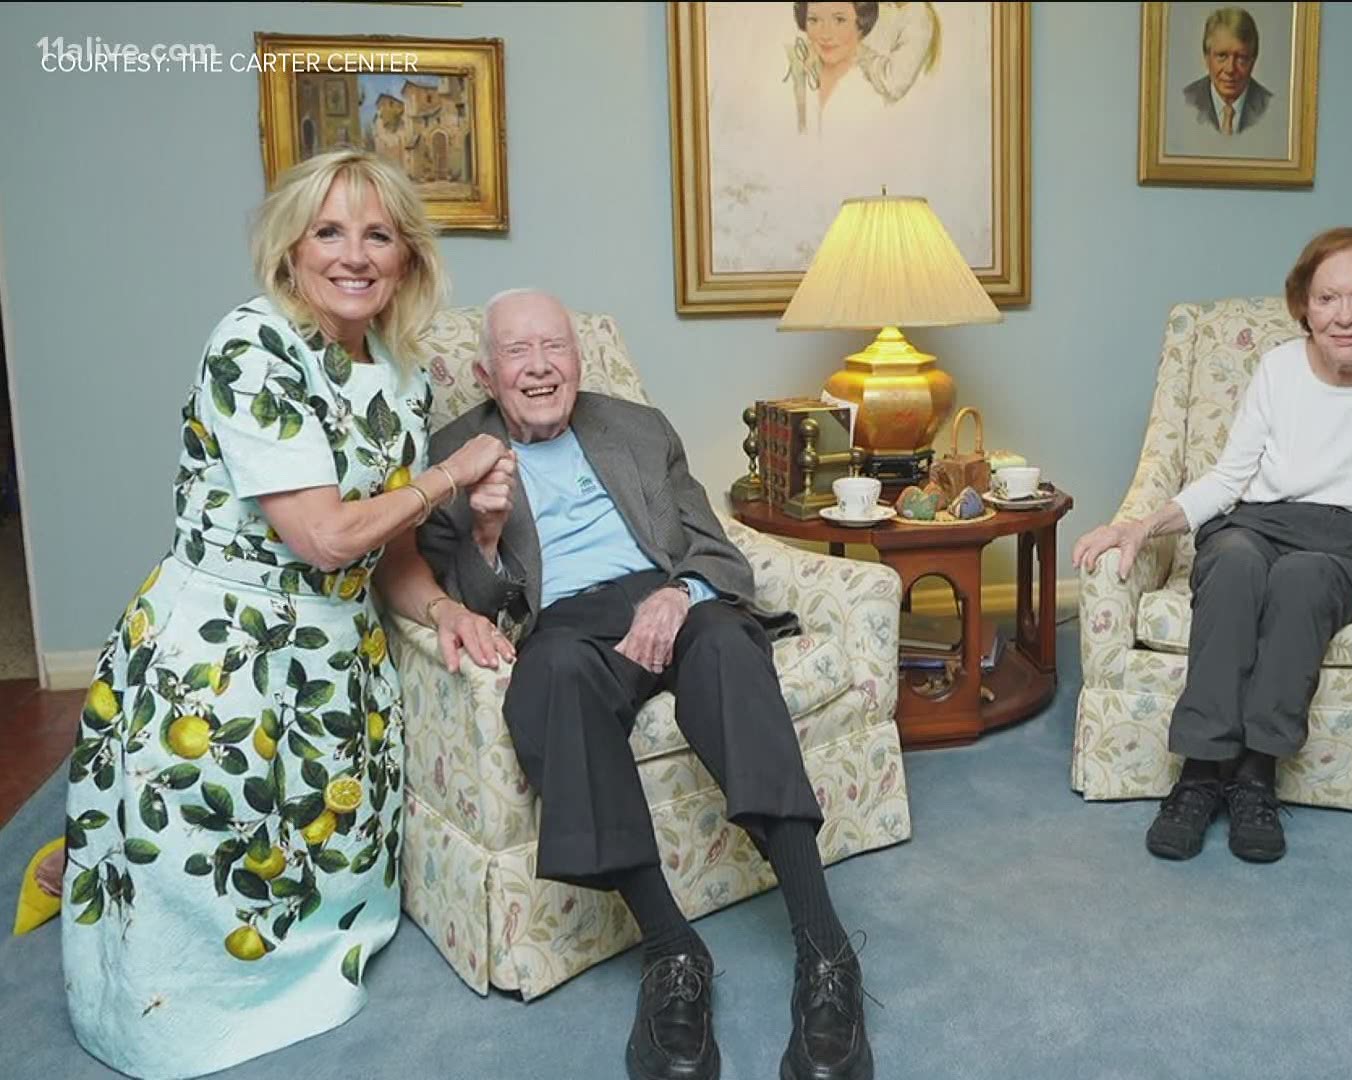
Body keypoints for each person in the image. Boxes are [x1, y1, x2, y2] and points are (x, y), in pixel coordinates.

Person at [57, 148, 513, 1078]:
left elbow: (388, 556)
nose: (355, 255)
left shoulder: (403, 374)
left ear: (407, 259)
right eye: (330, 232)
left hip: (336, 660)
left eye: (378, 235)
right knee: (198, 860)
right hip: (223, 656)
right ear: (292, 250)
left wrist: (442, 609)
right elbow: (325, 537)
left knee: (312, 863)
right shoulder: (250, 345)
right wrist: (450, 473)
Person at [403, 289, 873, 1080]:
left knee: (729, 646)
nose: (542, 367)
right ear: (487, 372)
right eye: (519, 353)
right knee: (549, 676)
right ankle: (671, 949)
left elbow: (718, 552)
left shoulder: (637, 427)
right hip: (566, 626)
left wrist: (678, 594)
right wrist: (484, 533)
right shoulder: (455, 455)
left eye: (555, 347)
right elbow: (481, 610)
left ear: (578, 360)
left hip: (667, 594)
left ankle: (825, 948)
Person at [1072, 227, 1352, 865]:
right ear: (1305, 307)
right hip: (1257, 522)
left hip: (1349, 542)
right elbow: (1230, 478)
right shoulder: (1280, 366)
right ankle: (1201, 773)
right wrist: (1144, 525)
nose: (1345, 316)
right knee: (1229, 565)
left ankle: (1257, 775)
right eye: (1328, 299)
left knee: (1302, 581)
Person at [786, 1, 887, 135]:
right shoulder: (797, 74)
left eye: (839, 20)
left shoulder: (878, 83)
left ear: (861, 22)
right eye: (814, 20)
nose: (826, 35)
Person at [1182, 7, 1273, 136]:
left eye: (1241, 58)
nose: (1230, 69)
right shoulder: (1186, 101)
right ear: (1207, 58)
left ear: (1253, 61)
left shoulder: (1272, 108)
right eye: (1222, 56)